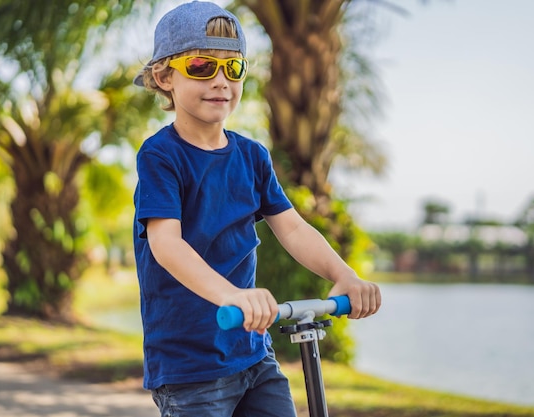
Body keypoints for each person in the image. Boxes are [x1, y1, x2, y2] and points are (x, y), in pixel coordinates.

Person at [132, 2, 381, 416]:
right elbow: (166, 245)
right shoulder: (161, 155)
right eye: (201, 66)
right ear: (164, 76)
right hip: (189, 364)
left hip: (252, 353)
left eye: (233, 68)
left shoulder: (252, 156)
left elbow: (294, 229)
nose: (220, 81)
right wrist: (233, 295)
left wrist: (345, 275)